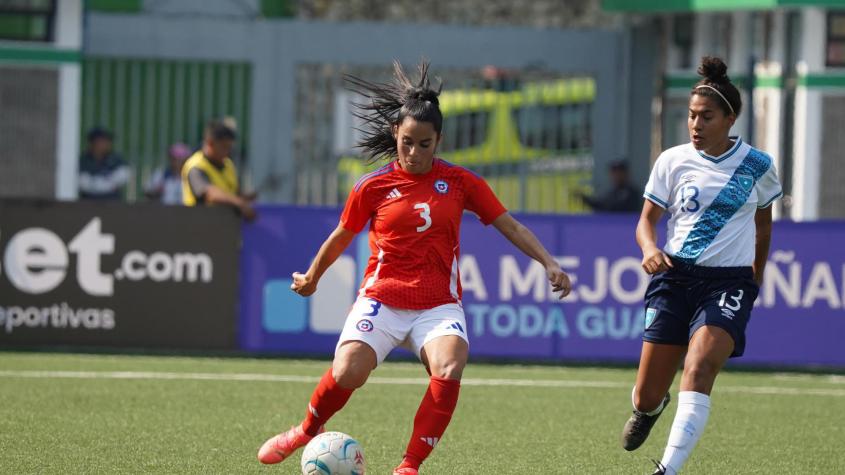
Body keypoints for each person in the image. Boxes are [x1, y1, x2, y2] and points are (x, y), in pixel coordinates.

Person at [256, 60, 572, 475]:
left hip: (437, 303)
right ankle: (305, 430)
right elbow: (341, 236)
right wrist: (313, 277)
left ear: (438, 140)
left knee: (451, 362)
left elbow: (508, 225)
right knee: (348, 370)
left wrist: (548, 262)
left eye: (425, 144)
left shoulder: (461, 183)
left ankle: (409, 466)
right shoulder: (372, 186)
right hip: (382, 297)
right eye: (408, 142)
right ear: (395, 135)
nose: (415, 152)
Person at [619, 56, 782, 475]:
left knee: (699, 366)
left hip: (727, 283)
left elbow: (763, 227)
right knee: (645, 395)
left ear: (730, 118)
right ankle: (651, 409)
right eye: (691, 116)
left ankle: (666, 470)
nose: (695, 125)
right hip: (674, 278)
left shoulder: (758, 166)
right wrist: (648, 249)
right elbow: (645, 221)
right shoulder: (672, 161)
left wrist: (755, 278)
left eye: (706, 117)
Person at [181, 118, 256, 220]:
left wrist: (244, 197)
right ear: (210, 143)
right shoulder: (195, 166)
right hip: (197, 226)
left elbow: (235, 193)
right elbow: (209, 194)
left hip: (225, 226)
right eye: (224, 147)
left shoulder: (228, 165)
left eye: (230, 148)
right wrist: (239, 202)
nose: (228, 152)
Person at [78, 127, 130, 200]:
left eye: (107, 141)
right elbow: (83, 183)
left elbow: (123, 176)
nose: (106, 144)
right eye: (101, 141)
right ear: (92, 143)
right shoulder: (83, 160)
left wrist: (97, 183)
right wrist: (107, 183)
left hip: (113, 202)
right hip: (87, 202)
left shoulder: (116, 159)